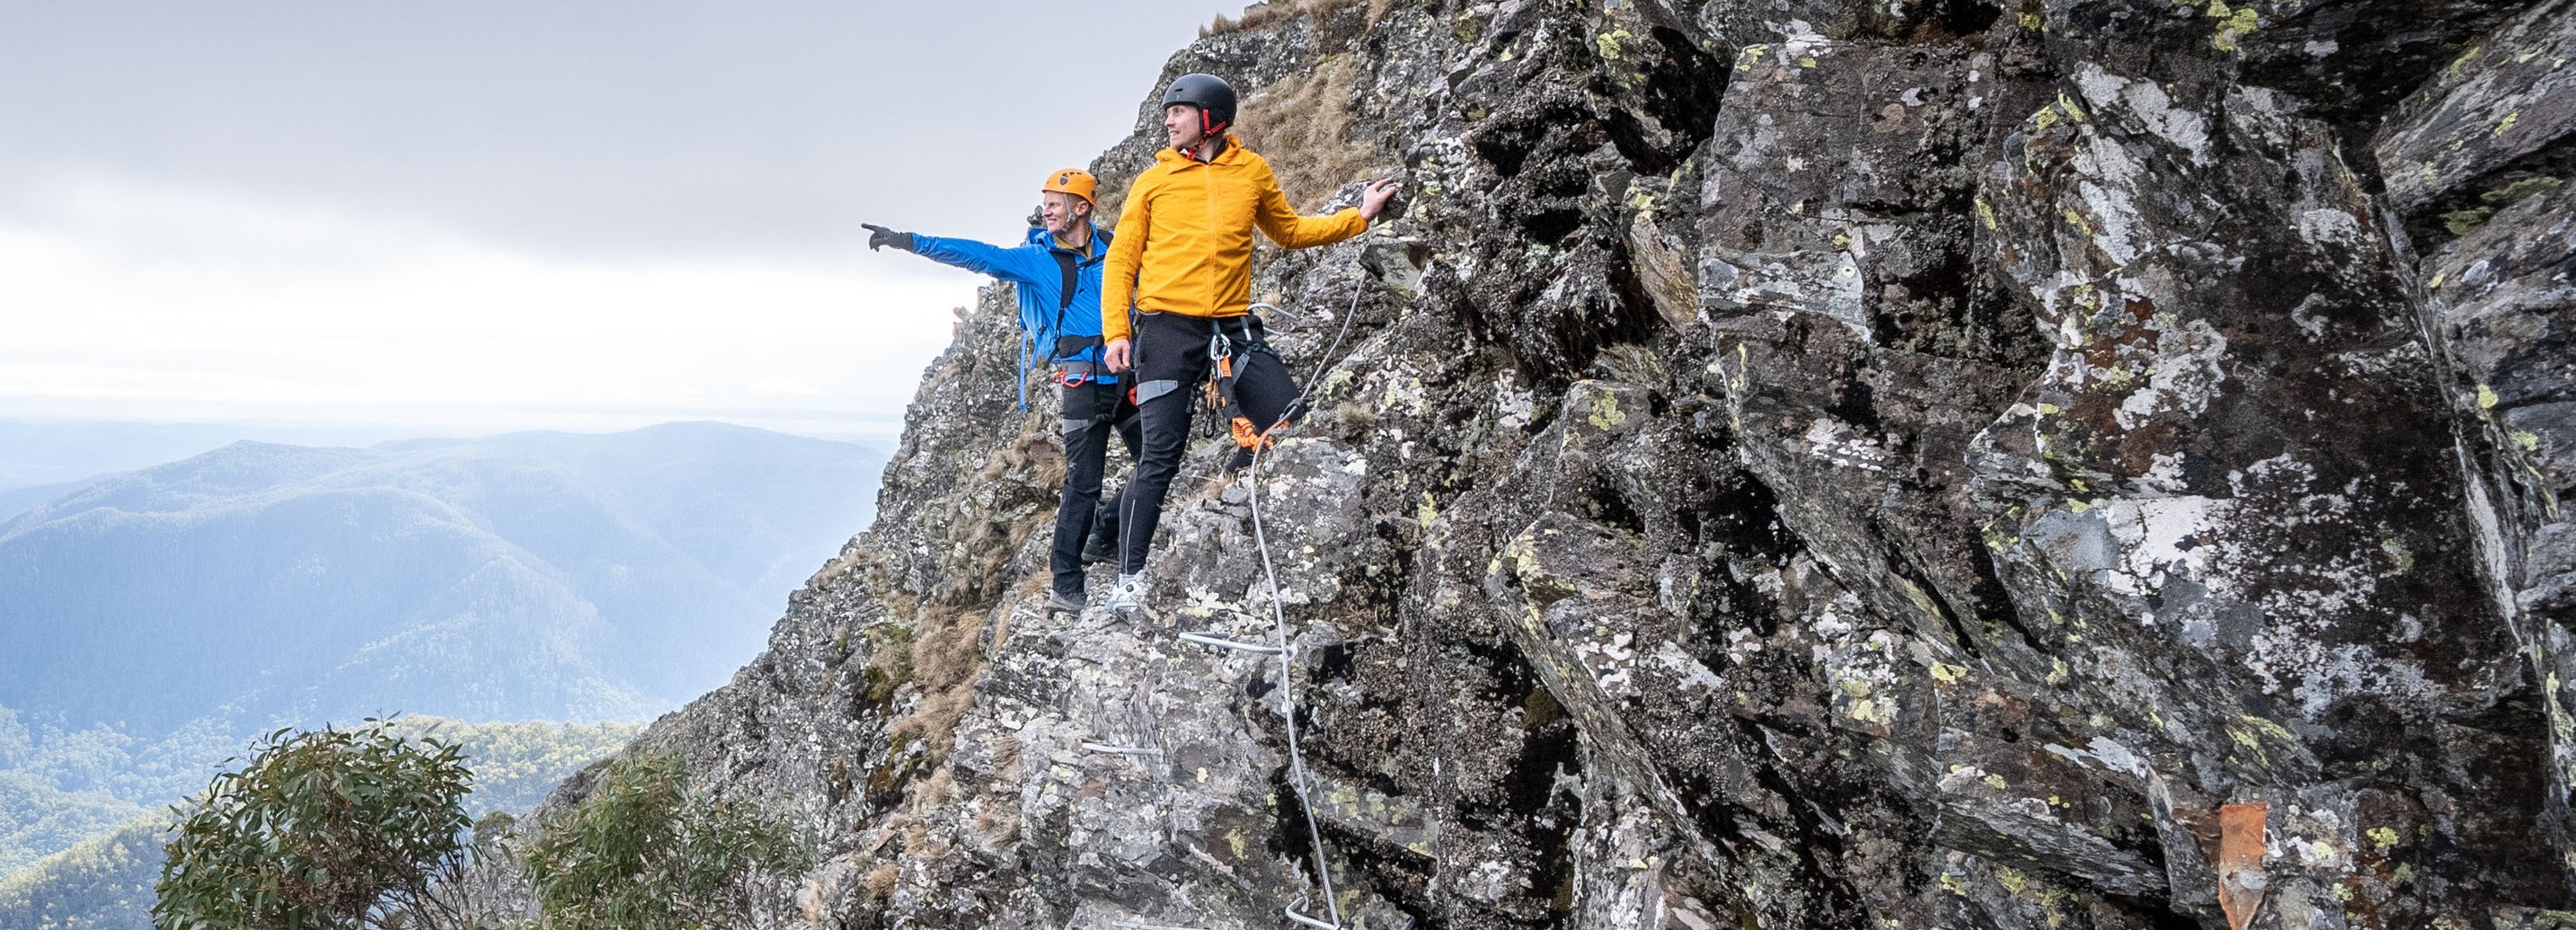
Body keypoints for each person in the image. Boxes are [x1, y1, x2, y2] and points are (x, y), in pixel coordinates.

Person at [1099, 73, 1400, 613]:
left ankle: (1236, 482)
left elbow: (1289, 231)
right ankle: (1129, 578)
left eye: (1178, 111)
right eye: (1167, 112)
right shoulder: (1153, 181)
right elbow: (1121, 261)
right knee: (1161, 456)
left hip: (1232, 327)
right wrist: (1117, 333)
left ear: (1210, 116)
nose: (1167, 120)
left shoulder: (1251, 171)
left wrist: (1358, 218)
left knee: (1287, 416)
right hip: (1166, 329)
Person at [863, 169, 1139, 615]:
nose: (1045, 210)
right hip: (1083, 384)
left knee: (1157, 464)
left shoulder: (1117, 249)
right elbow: (977, 255)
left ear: (1082, 208)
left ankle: (1104, 532)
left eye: (1055, 202)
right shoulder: (1036, 260)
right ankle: (1066, 584)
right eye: (1045, 202)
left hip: (1126, 376)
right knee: (1083, 485)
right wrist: (908, 240)